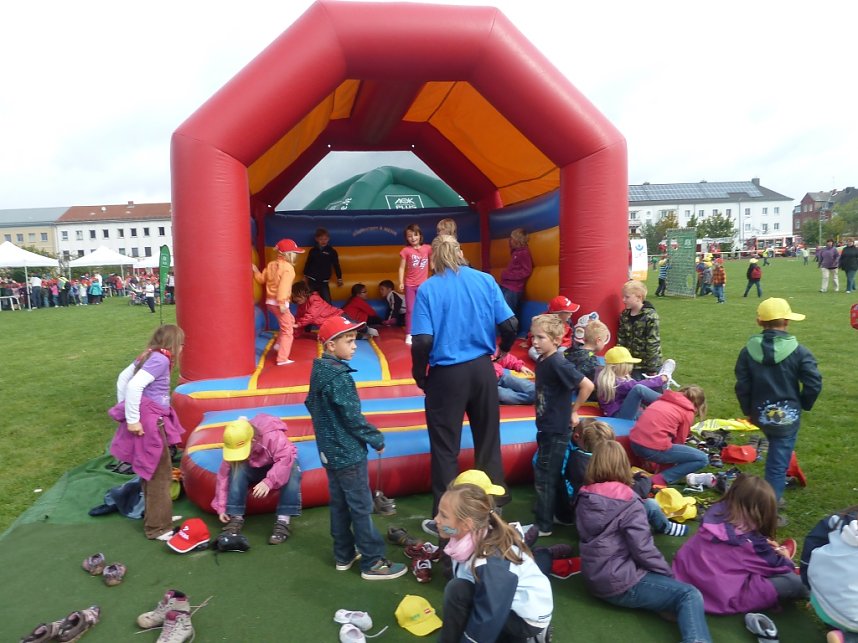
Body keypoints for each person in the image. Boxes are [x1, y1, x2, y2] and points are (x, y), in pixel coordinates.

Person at [410, 234, 517, 516]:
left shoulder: (429, 288)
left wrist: (419, 374)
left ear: (434, 258)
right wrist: (503, 351)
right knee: (488, 440)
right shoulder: (484, 281)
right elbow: (510, 324)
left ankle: (446, 518)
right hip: (482, 369)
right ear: (460, 253)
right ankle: (493, 509)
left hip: (446, 375)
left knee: (446, 449)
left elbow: (422, 340)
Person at [576, 441, 711, 643]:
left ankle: (662, 603)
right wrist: (668, 576)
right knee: (689, 595)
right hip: (618, 582)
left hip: (593, 574)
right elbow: (643, 550)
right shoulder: (629, 502)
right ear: (624, 466)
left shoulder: (585, 495)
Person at [304, 315, 406, 580]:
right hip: (348, 452)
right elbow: (352, 417)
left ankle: (344, 554)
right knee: (360, 507)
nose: (354, 346)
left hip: (329, 451)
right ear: (330, 346)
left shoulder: (319, 371)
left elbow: (310, 404)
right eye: (348, 341)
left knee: (339, 504)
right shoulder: (339, 377)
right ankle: (373, 562)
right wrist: (376, 438)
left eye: (354, 340)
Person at [734, 298, 822, 525]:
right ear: (786, 322)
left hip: (761, 414)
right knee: (777, 461)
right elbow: (813, 383)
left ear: (759, 321)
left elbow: (742, 385)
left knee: (776, 453)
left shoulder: (747, 351)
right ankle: (767, 512)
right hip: (788, 416)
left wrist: (749, 410)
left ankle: (771, 494)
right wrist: (803, 403)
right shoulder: (800, 352)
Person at [673, 474, 807, 615]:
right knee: (796, 582)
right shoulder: (753, 544)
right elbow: (782, 567)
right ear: (764, 512)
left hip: (683, 577)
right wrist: (786, 558)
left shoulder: (715, 513)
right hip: (717, 598)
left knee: (742, 562)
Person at [435, 483, 553, 643]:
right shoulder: (466, 535)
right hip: (501, 602)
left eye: (443, 515)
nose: (436, 519)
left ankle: (530, 638)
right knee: (458, 590)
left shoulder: (489, 561)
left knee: (457, 591)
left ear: (466, 524)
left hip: (523, 619)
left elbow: (490, 614)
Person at [108, 325, 185, 540]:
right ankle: (158, 527)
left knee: (149, 470)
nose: (181, 349)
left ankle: (156, 516)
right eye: (181, 344)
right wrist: (132, 418)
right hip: (151, 423)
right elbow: (133, 385)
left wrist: (127, 408)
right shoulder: (160, 360)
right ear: (174, 343)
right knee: (160, 472)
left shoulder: (150, 354)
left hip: (148, 418)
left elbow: (123, 378)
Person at [531, 313, 594, 536]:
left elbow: (587, 385)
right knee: (553, 474)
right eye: (533, 337)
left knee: (544, 477)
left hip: (556, 429)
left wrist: (573, 410)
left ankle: (543, 525)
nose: (535, 342)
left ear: (556, 341)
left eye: (541, 338)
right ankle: (564, 515)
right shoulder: (544, 360)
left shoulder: (557, 361)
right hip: (547, 425)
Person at [568, 422, 688, 537]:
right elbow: (636, 492)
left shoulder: (576, 459)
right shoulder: (608, 475)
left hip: (585, 524)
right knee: (651, 505)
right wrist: (646, 481)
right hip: (607, 528)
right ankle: (665, 527)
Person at [212, 415, 301, 546]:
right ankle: (235, 516)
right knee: (237, 467)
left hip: (277, 464)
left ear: (253, 440)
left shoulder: (272, 436)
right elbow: (223, 476)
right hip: (255, 466)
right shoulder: (235, 440)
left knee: (292, 470)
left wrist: (269, 481)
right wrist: (221, 506)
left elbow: (285, 459)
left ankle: (283, 520)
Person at [629, 385, 709, 487]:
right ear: (698, 405)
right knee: (702, 459)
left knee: (666, 447)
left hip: (634, 441)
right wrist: (664, 470)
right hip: (650, 448)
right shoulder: (687, 412)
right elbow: (679, 441)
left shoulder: (662, 400)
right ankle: (658, 480)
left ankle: (658, 475)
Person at [801, 506, 858, 643]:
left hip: (819, 600)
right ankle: (847, 639)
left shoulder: (839, 519)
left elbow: (810, 549)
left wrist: (810, 587)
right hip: (849, 617)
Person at [252, 238, 303, 366]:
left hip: (270, 302)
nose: (296, 256)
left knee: (289, 321)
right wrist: (282, 304)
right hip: (279, 303)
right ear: (288, 255)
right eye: (295, 254)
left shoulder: (271, 265)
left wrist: (255, 271)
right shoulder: (288, 268)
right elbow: (284, 287)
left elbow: (261, 279)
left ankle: (278, 345)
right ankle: (282, 358)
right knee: (288, 331)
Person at [597, 346, 672, 420]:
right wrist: (660, 379)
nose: (631, 367)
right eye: (629, 364)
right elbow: (636, 386)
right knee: (638, 389)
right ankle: (669, 402)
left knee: (654, 415)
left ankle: (665, 404)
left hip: (623, 411)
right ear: (621, 367)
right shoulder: (617, 383)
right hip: (619, 416)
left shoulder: (608, 377)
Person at [616, 280, 662, 379]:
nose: (623, 300)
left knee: (649, 391)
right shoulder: (625, 315)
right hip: (631, 363)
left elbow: (653, 343)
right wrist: (622, 361)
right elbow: (621, 340)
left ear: (639, 297)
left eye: (627, 297)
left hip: (646, 365)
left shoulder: (650, 316)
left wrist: (652, 369)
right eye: (623, 297)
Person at [398, 224, 432, 345]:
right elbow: (402, 268)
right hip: (410, 284)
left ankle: (425, 330)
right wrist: (401, 282)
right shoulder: (406, 251)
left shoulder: (428, 248)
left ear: (420, 235)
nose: (413, 238)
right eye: (409, 236)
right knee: (411, 309)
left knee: (425, 308)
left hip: (423, 285)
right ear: (406, 238)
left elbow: (432, 264)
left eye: (415, 235)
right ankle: (409, 333)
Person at [525, 295, 580, 362]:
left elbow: (570, 337)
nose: (571, 314)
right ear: (557, 314)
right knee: (532, 351)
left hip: (560, 345)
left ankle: (555, 363)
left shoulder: (568, 321)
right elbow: (534, 333)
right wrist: (528, 342)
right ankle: (545, 362)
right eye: (567, 312)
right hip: (545, 344)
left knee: (561, 352)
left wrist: (571, 346)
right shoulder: (543, 320)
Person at [499, 227, 533, 319]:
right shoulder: (516, 252)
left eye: (511, 239)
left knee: (507, 312)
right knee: (501, 309)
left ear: (517, 240)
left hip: (514, 288)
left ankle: (510, 332)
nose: (509, 241)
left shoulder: (523, 253)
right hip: (506, 286)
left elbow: (526, 271)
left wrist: (508, 275)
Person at [303, 227, 343, 304]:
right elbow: (308, 263)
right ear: (316, 239)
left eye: (325, 239)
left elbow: (336, 265)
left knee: (327, 302)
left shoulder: (331, 251)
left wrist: (339, 278)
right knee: (309, 301)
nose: (323, 241)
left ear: (328, 239)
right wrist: (305, 276)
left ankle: (328, 315)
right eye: (321, 239)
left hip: (324, 281)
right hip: (312, 280)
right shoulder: (313, 251)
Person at [565, 319, 609, 388]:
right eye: (604, 341)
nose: (604, 344)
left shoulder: (570, 351)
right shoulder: (593, 361)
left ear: (584, 338)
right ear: (598, 341)